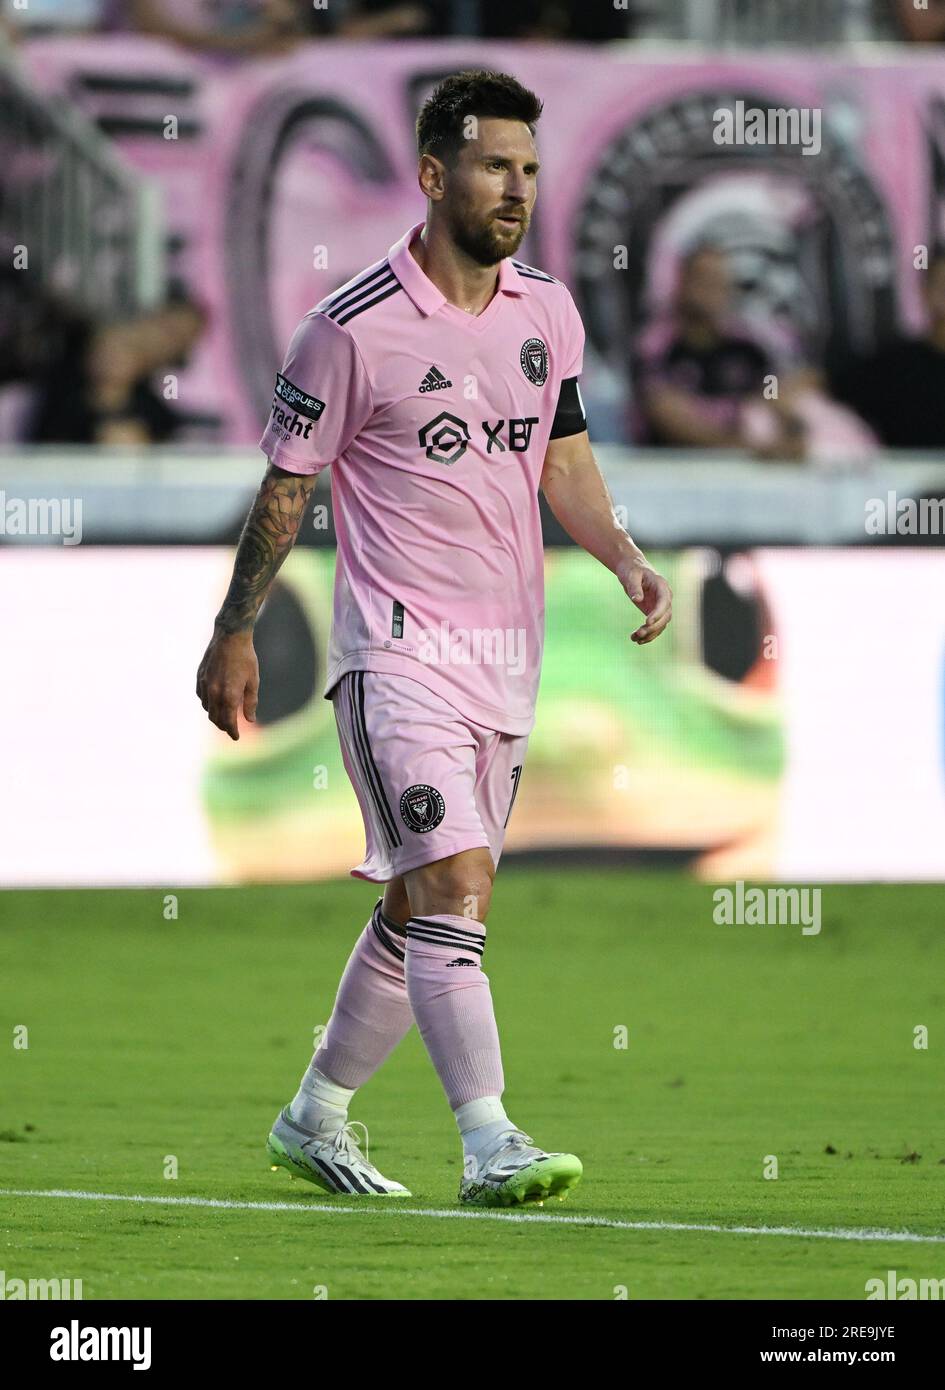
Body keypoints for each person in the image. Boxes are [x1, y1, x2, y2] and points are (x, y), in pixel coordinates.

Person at [196, 69, 672, 1207]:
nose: (517, 190)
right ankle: (490, 1139)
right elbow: (283, 490)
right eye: (496, 166)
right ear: (432, 174)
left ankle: (314, 1114)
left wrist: (624, 553)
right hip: (395, 656)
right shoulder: (348, 330)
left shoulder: (547, 311)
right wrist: (234, 630)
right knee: (455, 883)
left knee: (420, 908)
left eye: (528, 169)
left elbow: (562, 461)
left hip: (508, 666)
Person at [636, 244, 806, 458]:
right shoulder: (657, 346)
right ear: (682, 283)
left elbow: (774, 396)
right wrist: (748, 449)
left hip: (740, 470)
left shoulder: (746, 348)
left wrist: (793, 430)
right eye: (703, 279)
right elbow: (668, 418)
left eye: (719, 283)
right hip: (673, 468)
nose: (711, 291)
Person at [27, 295, 207, 445]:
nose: (159, 339)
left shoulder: (155, 416)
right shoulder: (71, 339)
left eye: (176, 339)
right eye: (165, 326)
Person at [832, 250, 945, 449]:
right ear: (924, 291)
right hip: (906, 476)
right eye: (941, 286)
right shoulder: (891, 367)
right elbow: (829, 393)